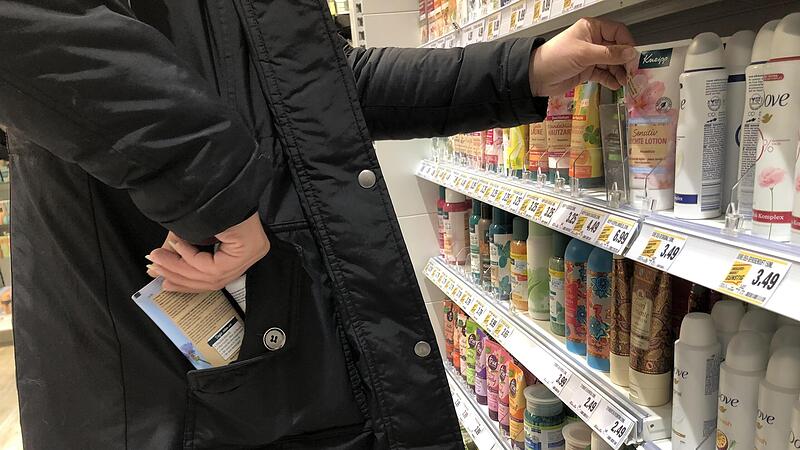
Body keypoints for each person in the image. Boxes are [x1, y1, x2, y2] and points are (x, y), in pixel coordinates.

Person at [0, 2, 637, 449]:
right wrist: (217, 194)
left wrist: (523, 68)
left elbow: (317, 91)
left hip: (290, 348)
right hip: (157, 370)